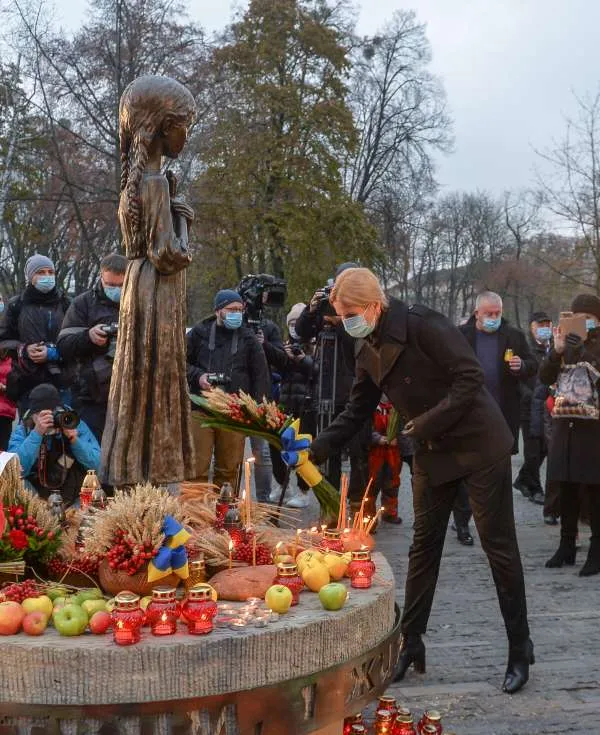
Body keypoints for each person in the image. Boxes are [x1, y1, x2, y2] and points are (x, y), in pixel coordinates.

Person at [309, 267, 533, 694]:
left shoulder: (422, 323)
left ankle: (520, 648)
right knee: (423, 546)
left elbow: (470, 377)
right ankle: (411, 643)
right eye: (342, 316)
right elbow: (357, 411)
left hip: (477, 441)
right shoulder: (368, 347)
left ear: (374, 306)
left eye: (352, 313)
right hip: (432, 451)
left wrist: (426, 422)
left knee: (498, 547)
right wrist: (315, 449)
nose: (348, 322)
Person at [100, 75, 196, 486]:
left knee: (137, 377)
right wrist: (185, 222)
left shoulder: (135, 184)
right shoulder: (154, 183)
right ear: (161, 126)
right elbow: (169, 254)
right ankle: (154, 469)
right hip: (157, 288)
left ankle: (129, 464)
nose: (185, 136)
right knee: (155, 375)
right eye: (183, 126)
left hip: (139, 285)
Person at [455, 292, 537, 544]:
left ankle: (498, 524)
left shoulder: (513, 336)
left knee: (499, 472)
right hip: (469, 416)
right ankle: (462, 523)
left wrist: (521, 366)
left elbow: (533, 364)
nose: (493, 318)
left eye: (497, 314)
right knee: (467, 472)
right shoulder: (461, 336)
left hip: (502, 415)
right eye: (488, 314)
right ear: (476, 313)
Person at [296, 263, 370, 510]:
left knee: (360, 454)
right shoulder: (327, 301)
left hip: (356, 393)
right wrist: (311, 309)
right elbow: (302, 333)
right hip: (325, 392)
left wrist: (341, 322)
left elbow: (361, 344)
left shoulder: (364, 307)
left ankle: (359, 505)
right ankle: (331, 505)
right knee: (328, 453)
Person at [539, 293, 600, 577]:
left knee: (593, 490)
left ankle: (597, 549)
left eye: (588, 318)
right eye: (578, 318)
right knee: (565, 486)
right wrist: (557, 351)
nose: (583, 323)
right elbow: (544, 377)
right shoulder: (563, 344)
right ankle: (566, 545)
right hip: (565, 424)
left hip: (592, 427)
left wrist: (585, 352)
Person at [186, 289, 270, 488]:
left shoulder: (248, 338)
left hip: (234, 413)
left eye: (240, 310)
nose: (237, 314)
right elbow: (180, 361)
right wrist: (199, 377)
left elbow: (261, 376)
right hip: (201, 410)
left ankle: (224, 515)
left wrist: (258, 410)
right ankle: (193, 514)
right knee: (196, 468)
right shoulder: (199, 333)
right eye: (231, 309)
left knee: (229, 470)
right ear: (217, 311)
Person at [57, 254, 128, 441]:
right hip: (90, 396)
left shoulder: (140, 303)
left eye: (122, 285)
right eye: (111, 285)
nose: (117, 290)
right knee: (91, 457)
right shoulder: (83, 304)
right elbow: (63, 346)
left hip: (131, 395)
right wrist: (88, 336)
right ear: (101, 277)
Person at [0, 255, 71, 415]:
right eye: (41, 272)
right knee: (33, 432)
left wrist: (54, 352)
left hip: (63, 380)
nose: (47, 276)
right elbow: (3, 340)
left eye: (50, 272)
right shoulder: (16, 305)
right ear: (30, 276)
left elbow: (75, 341)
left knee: (65, 433)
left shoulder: (66, 304)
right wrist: (23, 349)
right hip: (27, 381)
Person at [8, 383, 100, 506]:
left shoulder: (71, 421)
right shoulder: (25, 428)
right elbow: (14, 471)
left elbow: (98, 465)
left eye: (53, 413)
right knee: (13, 482)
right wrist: (36, 434)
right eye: (44, 415)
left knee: (93, 484)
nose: (50, 420)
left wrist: (75, 440)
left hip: (74, 494)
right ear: (33, 415)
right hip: (36, 498)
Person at [266, 303, 316, 508]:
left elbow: (317, 370)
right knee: (276, 445)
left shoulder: (317, 344)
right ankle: (281, 485)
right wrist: (281, 354)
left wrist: (303, 359)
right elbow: (278, 367)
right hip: (285, 404)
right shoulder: (284, 344)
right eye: (292, 323)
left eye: (298, 323)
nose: (296, 327)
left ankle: (304, 490)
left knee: (303, 448)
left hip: (307, 405)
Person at [513, 312, 553, 504]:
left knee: (545, 448)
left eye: (547, 324)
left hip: (549, 408)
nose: (545, 327)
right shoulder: (526, 350)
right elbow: (517, 378)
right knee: (532, 450)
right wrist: (528, 395)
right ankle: (536, 488)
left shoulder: (553, 349)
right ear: (532, 327)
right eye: (541, 324)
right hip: (528, 408)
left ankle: (522, 479)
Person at [368, 396, 403, 524]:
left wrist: (398, 438)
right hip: (374, 453)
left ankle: (390, 513)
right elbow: (365, 429)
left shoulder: (398, 407)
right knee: (372, 484)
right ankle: (368, 516)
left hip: (393, 453)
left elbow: (405, 428)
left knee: (392, 484)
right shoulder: (370, 406)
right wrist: (378, 439)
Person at [0, 347, 16, 450]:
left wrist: (4, 388)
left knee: (3, 449)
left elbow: (17, 388)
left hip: (5, 411)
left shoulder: (14, 361)